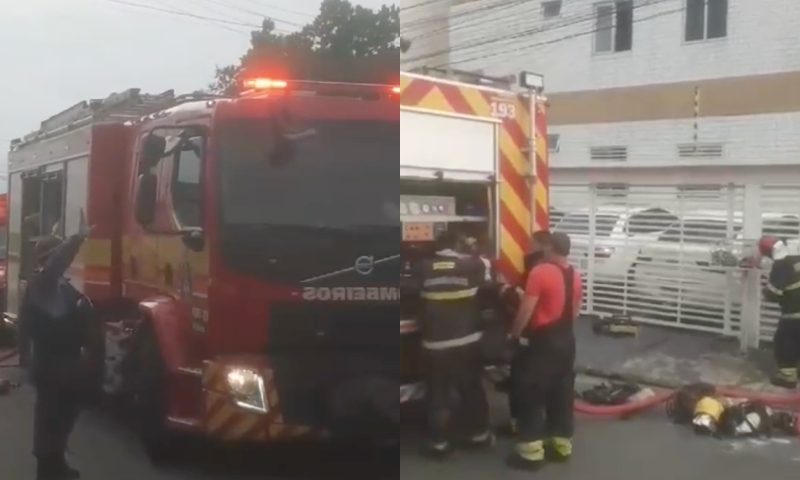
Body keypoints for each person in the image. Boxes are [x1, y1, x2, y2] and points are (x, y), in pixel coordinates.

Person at [24, 209, 93, 480]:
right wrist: (77, 239)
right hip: (51, 365)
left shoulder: (61, 286)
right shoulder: (42, 283)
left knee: (63, 416)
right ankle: (47, 469)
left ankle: (57, 463)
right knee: (49, 419)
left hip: (66, 365)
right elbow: (56, 264)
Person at [507, 231, 582, 471]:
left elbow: (526, 309)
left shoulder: (540, 272)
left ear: (549, 247)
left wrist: (514, 335)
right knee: (561, 395)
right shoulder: (575, 274)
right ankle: (561, 447)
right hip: (567, 343)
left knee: (530, 394)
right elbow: (575, 310)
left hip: (543, 345)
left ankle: (531, 454)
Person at [416, 229, 494, 459]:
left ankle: (439, 445)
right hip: (467, 341)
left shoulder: (422, 267)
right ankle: (478, 436)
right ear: (458, 245)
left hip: (435, 345)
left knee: (438, 393)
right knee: (472, 389)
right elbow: (488, 287)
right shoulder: (473, 266)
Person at [500, 230, 551, 438]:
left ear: (540, 245)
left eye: (532, 243)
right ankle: (542, 420)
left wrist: (514, 335)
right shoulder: (560, 269)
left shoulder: (535, 269)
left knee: (521, 379)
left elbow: (525, 305)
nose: (528, 247)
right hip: (549, 336)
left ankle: (519, 424)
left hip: (530, 334)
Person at [758, 236, 800, 389]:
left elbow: (773, 294)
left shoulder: (781, 265)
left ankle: (788, 377)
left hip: (794, 313)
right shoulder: (796, 258)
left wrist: (765, 288)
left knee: (784, 343)